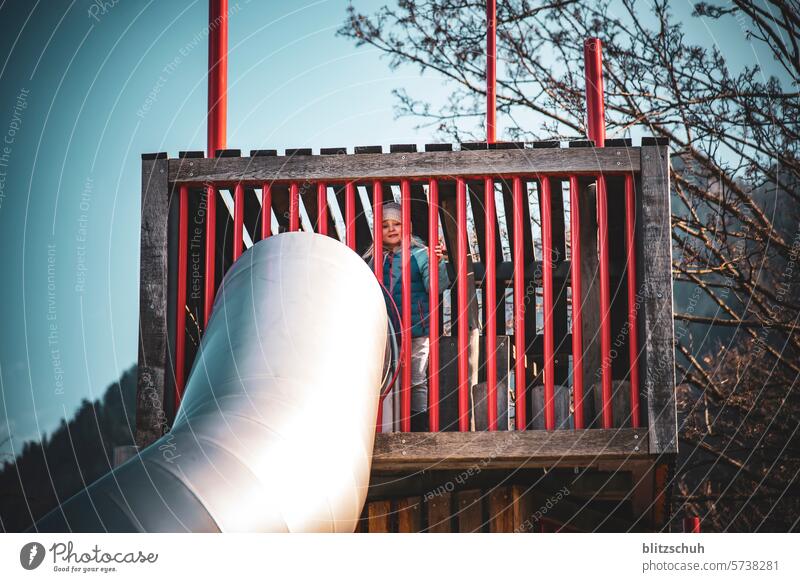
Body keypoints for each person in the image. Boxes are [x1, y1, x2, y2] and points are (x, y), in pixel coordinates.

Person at [364, 201, 450, 432]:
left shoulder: (421, 254)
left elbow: (438, 287)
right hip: (387, 333)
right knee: (388, 380)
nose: (391, 229)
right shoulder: (375, 261)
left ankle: (419, 425)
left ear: (407, 227)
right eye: (385, 225)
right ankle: (389, 427)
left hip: (417, 329)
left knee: (416, 379)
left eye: (397, 223)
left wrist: (438, 263)